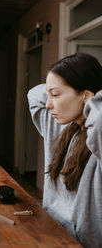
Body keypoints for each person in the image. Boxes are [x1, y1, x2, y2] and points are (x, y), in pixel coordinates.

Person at [27, 53, 102, 248]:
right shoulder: (62, 127)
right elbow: (34, 95)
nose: (49, 104)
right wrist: (55, 85)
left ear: (86, 96)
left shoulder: (98, 141)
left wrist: (94, 99)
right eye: (50, 94)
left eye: (56, 95)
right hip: (49, 233)